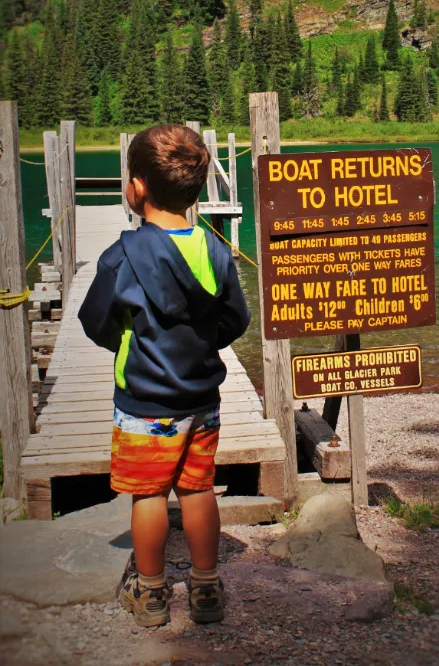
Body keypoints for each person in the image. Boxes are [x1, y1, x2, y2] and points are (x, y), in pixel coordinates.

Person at [78, 124, 250, 628]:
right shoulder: (217, 252)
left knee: (149, 496)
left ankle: (151, 593)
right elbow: (235, 320)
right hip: (202, 400)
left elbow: (95, 322)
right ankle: (205, 588)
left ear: (137, 189)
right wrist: (199, 344)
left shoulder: (121, 256)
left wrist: (126, 344)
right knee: (198, 490)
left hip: (145, 405)